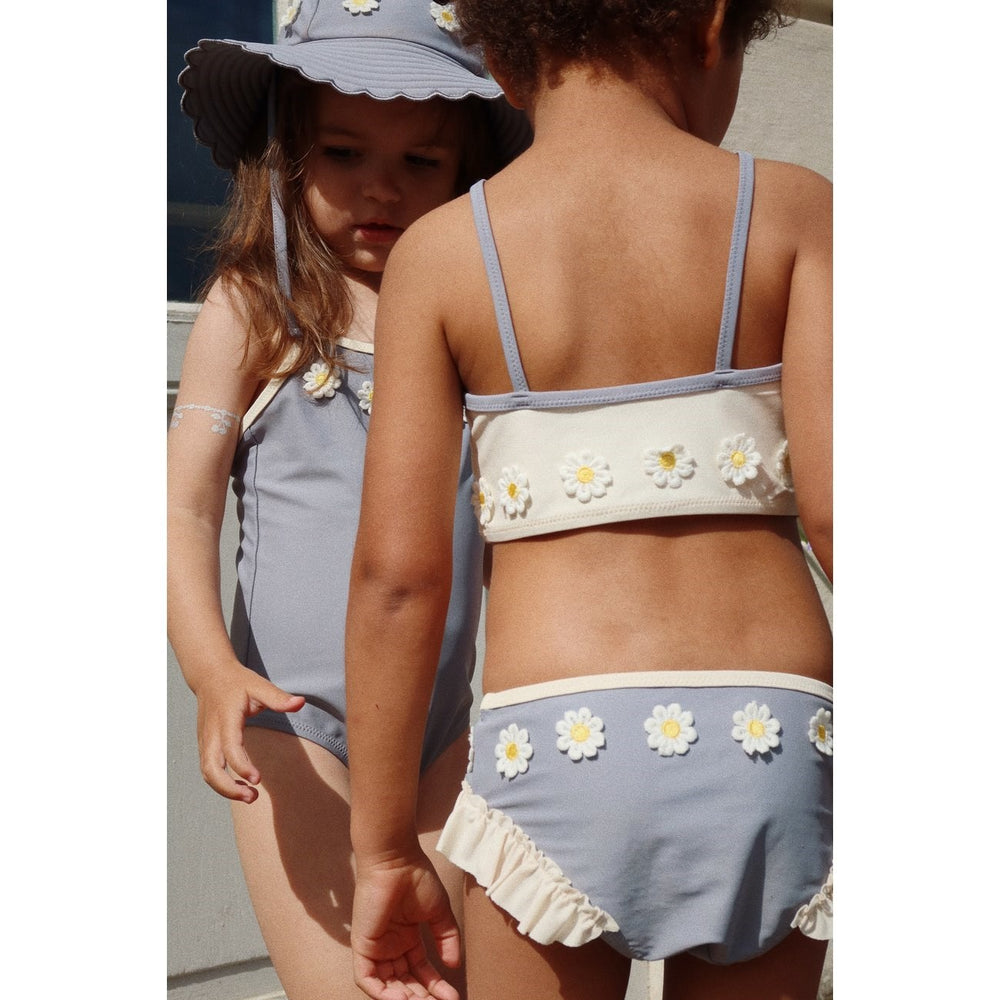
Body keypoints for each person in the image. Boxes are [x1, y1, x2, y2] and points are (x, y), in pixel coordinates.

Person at [344, 1, 832, 998]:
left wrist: (384, 849)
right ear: (713, 24)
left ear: (495, 54)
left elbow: (398, 579)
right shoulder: (793, 212)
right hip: (772, 734)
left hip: (554, 745)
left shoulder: (443, 253)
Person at [167, 3, 529, 998]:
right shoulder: (257, 307)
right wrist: (210, 669)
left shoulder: (471, 324)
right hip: (295, 725)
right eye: (343, 152)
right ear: (287, 156)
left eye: (421, 161)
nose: (381, 185)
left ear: (465, 173)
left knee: (443, 982)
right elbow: (184, 507)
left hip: (442, 729)